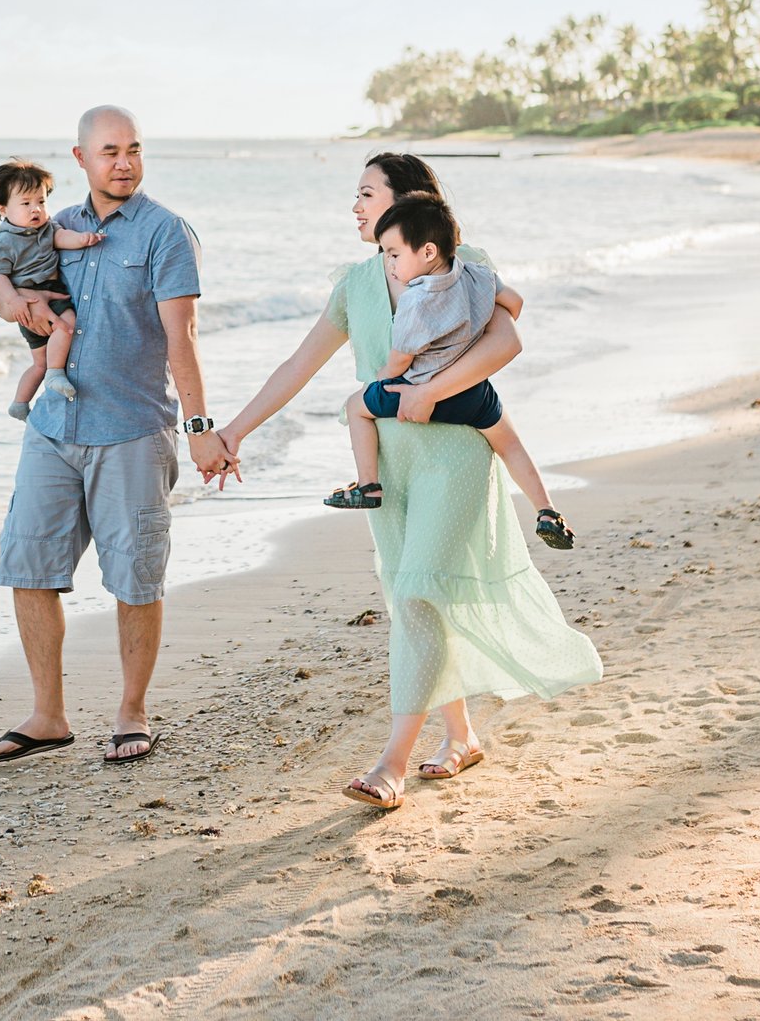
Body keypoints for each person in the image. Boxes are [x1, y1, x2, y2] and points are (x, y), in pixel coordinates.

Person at [217, 152, 600, 810]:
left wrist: (432, 389)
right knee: (412, 598)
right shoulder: (356, 284)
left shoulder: (459, 259)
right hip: (389, 465)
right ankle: (463, 736)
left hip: (455, 452)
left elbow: (505, 342)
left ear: (407, 201)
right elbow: (298, 363)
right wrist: (234, 431)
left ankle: (391, 764)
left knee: (420, 592)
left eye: (367, 192)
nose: (356, 205)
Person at [0, 106, 232, 767]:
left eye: (134, 149)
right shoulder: (49, 226)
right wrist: (10, 303)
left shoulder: (165, 232)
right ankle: (48, 714)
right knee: (27, 565)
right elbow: (11, 291)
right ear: (81, 158)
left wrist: (200, 427)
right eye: (109, 150)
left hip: (131, 430)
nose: (124, 161)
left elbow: (184, 337)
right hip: (53, 428)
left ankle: (131, 710)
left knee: (135, 577)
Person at [329, 193, 508, 511]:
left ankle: (367, 484)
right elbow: (515, 304)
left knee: (356, 407)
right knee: (510, 444)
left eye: (394, 255)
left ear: (427, 250)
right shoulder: (475, 274)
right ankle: (544, 508)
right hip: (469, 389)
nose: (391, 264)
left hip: (416, 387)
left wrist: (382, 377)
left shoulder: (416, 299)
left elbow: (401, 358)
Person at [0, 159, 103, 420]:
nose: (36, 209)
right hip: (27, 299)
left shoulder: (47, 228)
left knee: (39, 362)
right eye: (26, 204)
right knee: (67, 325)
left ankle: (19, 404)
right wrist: (14, 300)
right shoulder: (3, 242)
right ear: (2, 208)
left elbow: (61, 238)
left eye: (41, 201)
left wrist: (82, 239)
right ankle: (56, 373)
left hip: (43, 292)